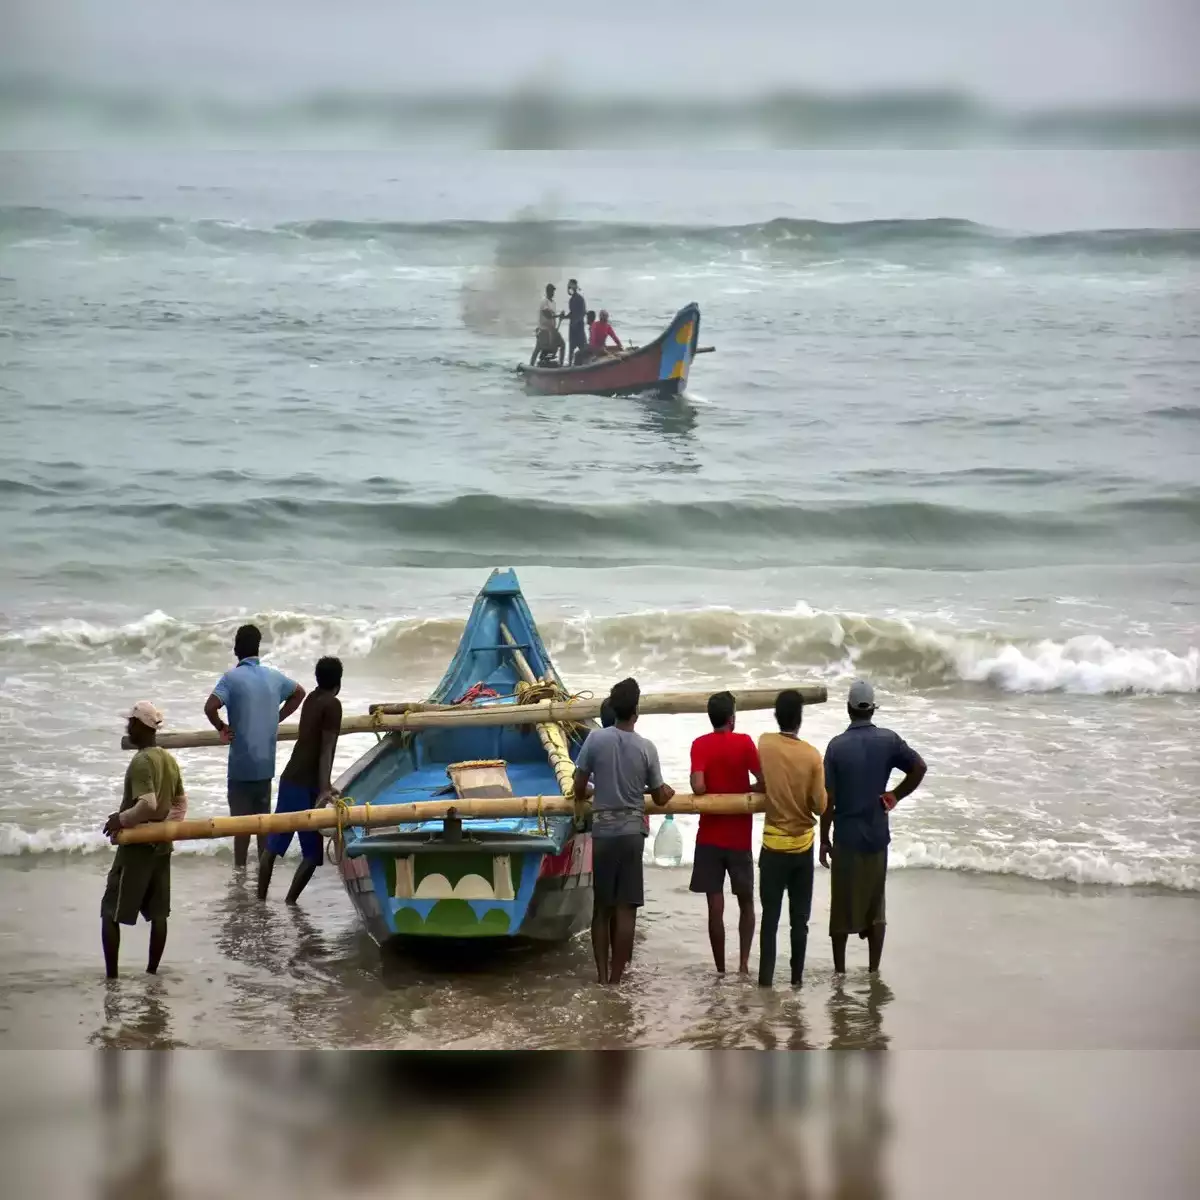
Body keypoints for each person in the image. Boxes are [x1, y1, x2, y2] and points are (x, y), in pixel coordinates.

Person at [820, 680, 927, 974]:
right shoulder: (889, 740)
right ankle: (873, 970)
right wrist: (896, 795)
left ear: (849, 709)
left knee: (841, 907)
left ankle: (840, 972)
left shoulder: (836, 747)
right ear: (872, 709)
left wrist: (824, 839)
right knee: (875, 906)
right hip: (877, 835)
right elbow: (919, 767)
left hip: (846, 837)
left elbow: (828, 799)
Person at [573, 677, 674, 985]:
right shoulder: (647, 748)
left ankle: (602, 977)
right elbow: (658, 795)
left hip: (603, 831)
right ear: (636, 711)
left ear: (613, 709)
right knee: (627, 909)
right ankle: (617, 979)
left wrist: (593, 791)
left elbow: (578, 787)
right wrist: (666, 792)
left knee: (602, 909)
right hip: (632, 833)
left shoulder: (595, 740)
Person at [204, 624, 305, 869]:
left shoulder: (231, 678)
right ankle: (262, 880)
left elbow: (210, 707)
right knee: (262, 826)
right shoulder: (274, 676)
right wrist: (276, 718)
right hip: (265, 766)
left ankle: (239, 875)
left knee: (240, 828)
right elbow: (300, 693)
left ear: (237, 649)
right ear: (258, 648)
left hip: (240, 766)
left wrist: (221, 728)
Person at [101, 702, 188, 979]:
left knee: (110, 912)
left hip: (137, 847)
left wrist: (121, 819)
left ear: (140, 726)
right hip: (161, 845)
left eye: (130, 723)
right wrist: (165, 830)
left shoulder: (141, 761)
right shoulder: (168, 759)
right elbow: (180, 803)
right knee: (158, 913)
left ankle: (112, 978)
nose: (128, 727)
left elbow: (148, 803)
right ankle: (152, 974)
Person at [689, 691, 764, 975]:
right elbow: (764, 780)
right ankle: (743, 964)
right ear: (732, 718)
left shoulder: (700, 744)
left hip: (709, 835)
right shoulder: (744, 743)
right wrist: (746, 791)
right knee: (746, 901)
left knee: (715, 907)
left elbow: (698, 786)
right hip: (738, 837)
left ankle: (720, 968)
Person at [257, 656, 344, 903]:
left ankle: (260, 902)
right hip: (307, 786)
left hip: (290, 779)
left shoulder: (311, 699)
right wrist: (324, 787)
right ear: (338, 681)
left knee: (273, 847)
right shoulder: (333, 705)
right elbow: (327, 747)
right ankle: (290, 902)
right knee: (312, 854)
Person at [756, 689, 827, 988]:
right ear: (800, 719)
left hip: (772, 847)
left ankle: (765, 982)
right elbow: (820, 806)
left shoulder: (765, 743)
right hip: (801, 849)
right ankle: (796, 981)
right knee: (799, 922)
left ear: (776, 716)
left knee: (769, 921)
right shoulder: (812, 755)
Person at [530, 282, 565, 366]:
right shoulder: (544, 302)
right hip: (544, 330)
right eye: (551, 291)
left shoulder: (553, 303)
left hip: (552, 330)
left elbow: (553, 316)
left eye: (553, 291)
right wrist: (558, 315)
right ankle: (531, 366)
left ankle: (561, 364)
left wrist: (561, 316)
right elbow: (548, 315)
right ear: (547, 291)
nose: (552, 293)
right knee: (538, 348)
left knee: (562, 345)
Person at [566, 278, 587, 364]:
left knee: (582, 348)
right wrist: (564, 317)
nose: (568, 289)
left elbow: (583, 312)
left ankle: (584, 365)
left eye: (569, 286)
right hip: (572, 328)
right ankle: (570, 366)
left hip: (579, 328)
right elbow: (572, 313)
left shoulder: (580, 299)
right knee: (571, 349)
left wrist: (576, 321)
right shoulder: (571, 300)